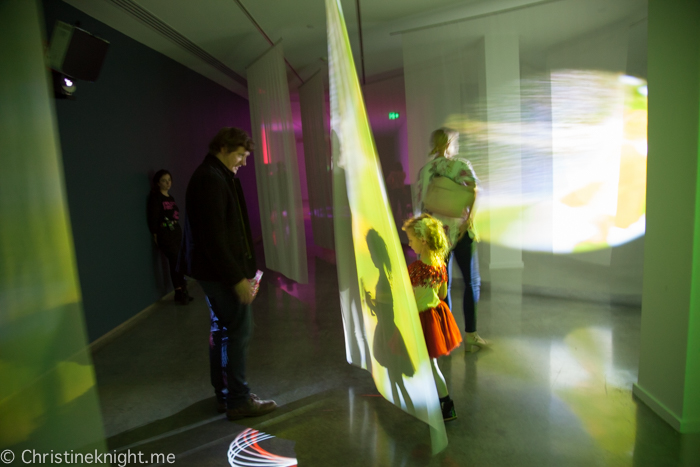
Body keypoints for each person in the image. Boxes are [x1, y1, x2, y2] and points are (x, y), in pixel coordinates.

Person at [179, 127, 276, 420]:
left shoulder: (217, 176)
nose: (244, 162)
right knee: (239, 330)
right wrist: (237, 279)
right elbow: (214, 239)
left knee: (222, 331)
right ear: (223, 148)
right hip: (219, 273)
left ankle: (226, 395)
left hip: (214, 271)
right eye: (241, 155)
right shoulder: (210, 179)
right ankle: (238, 399)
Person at [413, 128, 486, 352]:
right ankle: (471, 336)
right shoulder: (460, 165)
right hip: (461, 232)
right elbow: (475, 191)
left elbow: (419, 206)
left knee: (442, 286)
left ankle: (445, 337)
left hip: (436, 234)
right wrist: (469, 221)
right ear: (449, 143)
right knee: (471, 283)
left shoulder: (425, 171)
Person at [402, 214, 462, 420]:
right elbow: (443, 294)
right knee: (429, 364)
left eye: (411, 240)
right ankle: (440, 403)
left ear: (423, 240)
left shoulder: (415, 270)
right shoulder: (440, 266)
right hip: (435, 316)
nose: (409, 244)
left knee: (427, 365)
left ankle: (443, 403)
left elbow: (408, 298)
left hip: (422, 320)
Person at [147, 170, 192, 304]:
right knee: (174, 262)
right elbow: (153, 217)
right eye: (164, 180)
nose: (167, 183)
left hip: (176, 233)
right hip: (165, 234)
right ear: (158, 183)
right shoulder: (156, 198)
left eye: (169, 180)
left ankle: (184, 291)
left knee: (180, 262)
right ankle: (178, 293)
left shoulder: (170, 198)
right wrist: (155, 234)